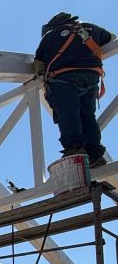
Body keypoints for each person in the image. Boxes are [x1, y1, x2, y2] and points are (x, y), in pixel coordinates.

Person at [34, 13, 114, 167]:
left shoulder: (50, 36)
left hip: (63, 79)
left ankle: (74, 149)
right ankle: (95, 155)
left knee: (68, 112)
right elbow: (112, 38)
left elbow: (38, 63)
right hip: (91, 77)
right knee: (88, 116)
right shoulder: (92, 27)